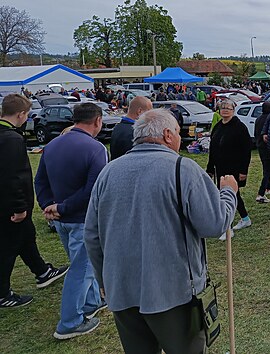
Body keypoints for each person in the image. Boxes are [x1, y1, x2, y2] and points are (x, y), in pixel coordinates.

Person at [84, 108, 238, 353]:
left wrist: (105, 281)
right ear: (167, 135)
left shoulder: (108, 172)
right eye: (177, 131)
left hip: (122, 290)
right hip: (173, 294)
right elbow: (216, 223)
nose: (179, 137)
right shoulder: (182, 168)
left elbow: (92, 235)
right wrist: (229, 192)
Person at [34, 103, 107, 339]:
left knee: (83, 265)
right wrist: (61, 207)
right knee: (81, 270)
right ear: (97, 121)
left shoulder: (52, 145)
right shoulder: (95, 149)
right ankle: (70, 322)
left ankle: (92, 302)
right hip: (81, 218)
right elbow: (94, 190)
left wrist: (48, 205)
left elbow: (40, 181)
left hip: (61, 218)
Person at [0, 94, 68, 309]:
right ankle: (2, 293)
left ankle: (42, 271)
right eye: (26, 114)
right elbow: (14, 176)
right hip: (11, 205)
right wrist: (20, 207)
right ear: (21, 114)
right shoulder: (11, 139)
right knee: (8, 247)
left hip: (7, 202)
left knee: (26, 237)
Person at [206, 100, 252, 238]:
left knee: (228, 195)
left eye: (228, 108)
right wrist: (210, 167)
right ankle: (245, 219)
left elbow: (246, 150)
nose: (225, 110)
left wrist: (243, 170)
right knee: (232, 195)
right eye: (222, 108)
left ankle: (228, 228)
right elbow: (212, 148)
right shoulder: (218, 126)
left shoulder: (240, 127)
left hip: (235, 167)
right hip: (220, 167)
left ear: (233, 110)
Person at [254, 101, 270, 203]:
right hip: (268, 147)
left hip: (260, 146)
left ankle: (269, 187)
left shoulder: (258, 119)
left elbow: (255, 133)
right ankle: (261, 193)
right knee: (269, 170)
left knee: (265, 167)